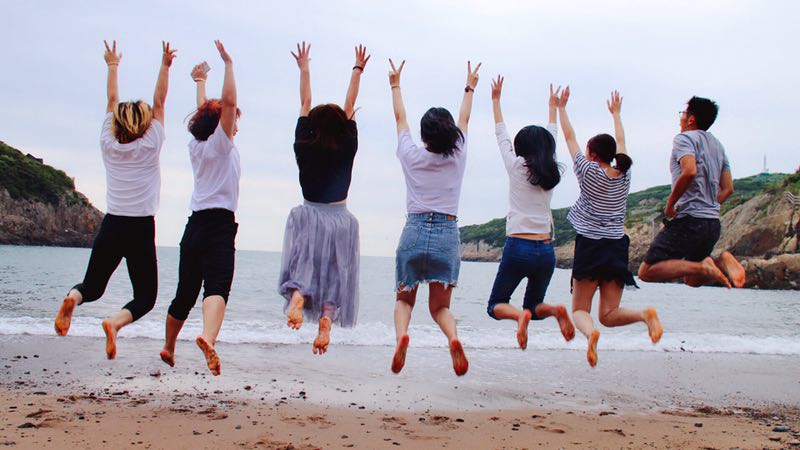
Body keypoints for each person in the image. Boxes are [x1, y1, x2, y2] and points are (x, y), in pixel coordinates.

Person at [54, 41, 175, 359]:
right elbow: (159, 102)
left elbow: (111, 100)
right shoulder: (150, 144)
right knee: (145, 297)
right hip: (140, 228)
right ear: (145, 124)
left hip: (112, 225)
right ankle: (114, 323)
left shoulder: (108, 144)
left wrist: (112, 64)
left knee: (92, 287)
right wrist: (165, 64)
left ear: (117, 123)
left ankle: (72, 299)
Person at [558, 88, 662, 368]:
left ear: (591, 154)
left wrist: (561, 108)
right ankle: (645, 315)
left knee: (580, 310)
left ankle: (590, 333)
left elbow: (569, 137)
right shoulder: (625, 174)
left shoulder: (587, 171)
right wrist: (616, 114)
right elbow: (622, 142)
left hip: (590, 245)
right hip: (616, 246)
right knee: (609, 313)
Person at [388, 58, 480, 376]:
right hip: (446, 233)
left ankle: (402, 337)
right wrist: (469, 87)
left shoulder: (410, 155)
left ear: (424, 134)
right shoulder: (459, 154)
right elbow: (465, 118)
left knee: (405, 300)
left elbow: (400, 117)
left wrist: (395, 84)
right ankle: (453, 338)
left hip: (413, 230)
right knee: (440, 307)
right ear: (450, 132)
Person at [280, 42, 369, 355]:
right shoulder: (348, 144)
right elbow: (350, 104)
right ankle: (327, 320)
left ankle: (298, 296)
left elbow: (305, 101)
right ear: (343, 127)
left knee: (302, 263)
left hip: (309, 215)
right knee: (335, 275)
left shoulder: (303, 143)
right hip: (341, 220)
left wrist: (304, 68)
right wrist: (357, 69)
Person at [159, 41, 240, 376]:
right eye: (232, 120)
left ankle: (168, 346)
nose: (235, 124)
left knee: (185, 293)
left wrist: (200, 83)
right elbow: (228, 105)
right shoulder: (222, 145)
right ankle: (208, 337)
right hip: (219, 227)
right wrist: (228, 64)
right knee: (217, 287)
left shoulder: (197, 145)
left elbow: (205, 112)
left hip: (193, 227)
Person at [486, 77, 575, 349]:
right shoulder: (551, 171)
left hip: (518, 247)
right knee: (535, 307)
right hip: (546, 251)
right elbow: (552, 137)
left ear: (520, 147)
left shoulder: (516, 166)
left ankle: (518, 316)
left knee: (496, 305)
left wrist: (495, 100)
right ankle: (555, 310)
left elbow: (501, 134)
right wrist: (553, 109)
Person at [637, 96, 745, 288]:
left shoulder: (684, 139)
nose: (681, 118)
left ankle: (704, 266)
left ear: (691, 119)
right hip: (711, 223)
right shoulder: (718, 146)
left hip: (689, 220)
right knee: (692, 280)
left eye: (683, 113)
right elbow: (728, 188)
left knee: (647, 272)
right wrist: (709, 207)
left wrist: (670, 205)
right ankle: (720, 261)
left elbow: (689, 171)